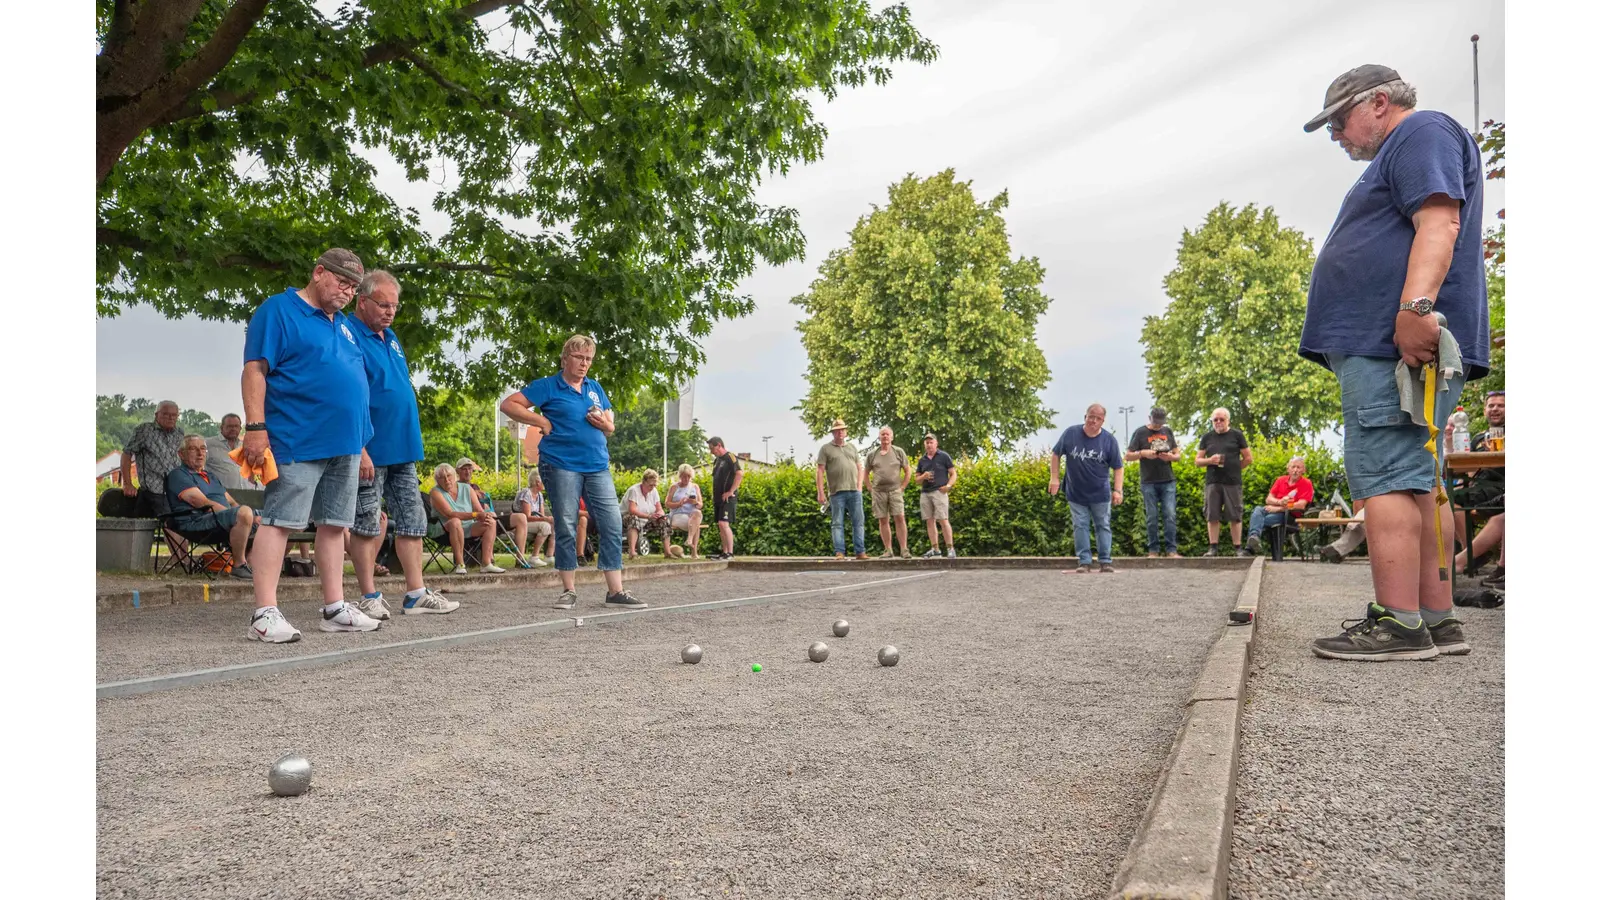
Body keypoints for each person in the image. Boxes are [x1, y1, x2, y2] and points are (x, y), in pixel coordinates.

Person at [1298, 65, 1489, 660]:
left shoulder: (1421, 131)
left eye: (1339, 121)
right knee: (1417, 476)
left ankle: (1398, 623)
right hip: (1395, 340)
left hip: (1391, 341)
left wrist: (1415, 307)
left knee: (1384, 470)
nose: (1336, 136)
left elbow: (1439, 220)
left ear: (1379, 102)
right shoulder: (1418, 141)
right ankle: (1435, 618)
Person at [240, 248, 383, 642]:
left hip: (347, 442)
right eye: (342, 282)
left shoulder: (345, 325)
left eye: (354, 288)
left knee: (336, 524)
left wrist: (363, 443)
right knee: (281, 520)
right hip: (298, 436)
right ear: (319, 273)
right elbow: (255, 370)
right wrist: (256, 426)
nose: (348, 292)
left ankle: (334, 607)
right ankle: (264, 613)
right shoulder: (279, 310)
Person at [499, 334, 646, 609]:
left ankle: (615, 591)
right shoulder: (548, 386)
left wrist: (604, 422)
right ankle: (568, 590)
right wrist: (540, 419)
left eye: (588, 359)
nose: (584, 364)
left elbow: (611, 426)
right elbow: (508, 404)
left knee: (612, 522)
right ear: (565, 358)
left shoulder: (594, 388)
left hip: (597, 464)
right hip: (561, 463)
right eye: (579, 357)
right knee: (566, 523)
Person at [347, 271, 458, 617]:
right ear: (361, 301)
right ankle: (369, 595)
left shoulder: (391, 337)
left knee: (413, 518)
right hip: (372, 447)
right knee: (366, 521)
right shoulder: (349, 335)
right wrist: (360, 447)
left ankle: (415, 593)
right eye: (383, 304)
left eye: (394, 305)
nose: (390, 311)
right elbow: (350, 394)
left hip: (403, 446)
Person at [166, 435, 256, 580]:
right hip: (198, 522)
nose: (200, 453)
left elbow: (232, 502)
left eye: (202, 449)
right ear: (181, 454)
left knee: (269, 519)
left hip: (223, 519)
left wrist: (250, 517)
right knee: (244, 513)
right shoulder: (178, 475)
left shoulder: (210, 476)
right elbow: (201, 502)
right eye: (193, 449)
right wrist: (238, 515)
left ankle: (253, 563)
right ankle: (239, 565)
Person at [1049, 404, 1125, 573]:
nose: (1094, 421)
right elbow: (1055, 454)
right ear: (1085, 416)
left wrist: (1118, 490)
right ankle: (1084, 562)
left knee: (1103, 525)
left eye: (1098, 419)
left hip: (1100, 493)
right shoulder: (1071, 433)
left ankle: (1105, 561)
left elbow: (1118, 467)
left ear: (1103, 421)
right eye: (1091, 416)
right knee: (1080, 525)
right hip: (1075, 492)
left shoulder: (1109, 440)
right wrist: (1054, 477)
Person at [1451, 390, 1505, 574]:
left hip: (1502, 486)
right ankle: (1473, 554)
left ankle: (1469, 556)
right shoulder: (1478, 438)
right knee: (1451, 499)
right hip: (1480, 487)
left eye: (1501, 405)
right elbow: (1466, 469)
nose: (1495, 409)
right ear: (1485, 411)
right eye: (1491, 405)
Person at [428, 463, 506, 575]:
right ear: (437, 480)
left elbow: (479, 510)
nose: (446, 480)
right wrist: (476, 515)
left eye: (449, 476)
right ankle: (460, 564)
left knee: (490, 523)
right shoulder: (435, 492)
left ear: (454, 476)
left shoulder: (467, 488)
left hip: (466, 527)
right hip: (443, 529)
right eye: (442, 478)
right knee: (455, 521)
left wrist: (485, 516)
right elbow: (450, 514)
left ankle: (486, 564)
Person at [1125, 406, 1182, 558]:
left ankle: (1171, 550)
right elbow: (1128, 456)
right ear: (1149, 418)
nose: (1158, 426)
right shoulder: (1140, 433)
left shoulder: (1167, 431)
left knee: (1170, 514)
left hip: (1168, 479)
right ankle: (1153, 550)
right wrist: (1143, 453)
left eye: (1161, 423)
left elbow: (1178, 455)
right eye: (1156, 422)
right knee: (1151, 516)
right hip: (1148, 480)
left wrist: (1170, 457)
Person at [1196, 408, 1253, 557]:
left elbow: (1248, 458)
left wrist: (1235, 467)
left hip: (1233, 482)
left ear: (1228, 420)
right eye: (1215, 420)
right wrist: (1210, 460)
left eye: (1221, 419)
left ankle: (1238, 548)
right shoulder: (1207, 437)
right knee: (1212, 514)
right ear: (1212, 421)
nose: (1219, 422)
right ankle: (1213, 548)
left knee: (1235, 515)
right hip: (1213, 481)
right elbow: (1197, 461)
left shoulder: (1237, 435)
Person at [458, 456, 530, 567]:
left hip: (490, 516)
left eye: (469, 468)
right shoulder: (456, 488)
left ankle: (520, 559)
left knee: (521, 517)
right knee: (489, 520)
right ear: (457, 471)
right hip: (476, 522)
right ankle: (489, 560)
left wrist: (487, 507)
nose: (468, 471)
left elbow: (486, 506)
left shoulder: (475, 486)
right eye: (464, 469)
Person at [121, 400, 186, 516]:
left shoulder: (179, 433)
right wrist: (127, 484)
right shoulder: (145, 430)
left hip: (177, 489)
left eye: (174, 415)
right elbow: (126, 454)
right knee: (172, 522)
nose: (170, 418)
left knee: (194, 515)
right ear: (156, 415)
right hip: (155, 490)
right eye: (166, 414)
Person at [816, 418, 867, 560]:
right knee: (837, 523)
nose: (840, 432)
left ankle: (860, 552)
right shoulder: (825, 449)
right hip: (836, 492)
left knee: (859, 522)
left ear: (846, 432)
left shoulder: (852, 447)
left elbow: (859, 467)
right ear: (833, 433)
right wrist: (820, 492)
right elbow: (820, 470)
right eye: (837, 430)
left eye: (842, 430)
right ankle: (839, 552)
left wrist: (859, 487)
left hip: (854, 491)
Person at [1245, 457, 1316, 555]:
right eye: (1293, 467)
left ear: (1303, 470)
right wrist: (1279, 502)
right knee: (1257, 510)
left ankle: (1250, 548)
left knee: (1257, 520)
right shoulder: (1280, 480)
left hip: (1290, 516)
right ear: (1288, 469)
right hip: (1276, 509)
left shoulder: (1306, 483)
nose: (1295, 470)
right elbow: (1268, 499)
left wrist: (1278, 509)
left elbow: (1301, 505)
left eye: (1298, 467)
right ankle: (1254, 538)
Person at [866, 426, 913, 558]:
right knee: (883, 520)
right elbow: (865, 472)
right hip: (879, 492)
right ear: (879, 437)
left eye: (887, 434)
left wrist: (903, 486)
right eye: (882, 434)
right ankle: (888, 550)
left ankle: (904, 549)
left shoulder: (899, 452)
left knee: (900, 517)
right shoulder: (872, 454)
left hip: (895, 491)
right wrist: (869, 487)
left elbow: (908, 470)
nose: (885, 437)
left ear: (892, 437)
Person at [915, 433, 958, 558]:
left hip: (939, 492)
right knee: (929, 521)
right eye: (927, 443)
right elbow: (916, 480)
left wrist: (948, 486)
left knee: (943, 520)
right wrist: (923, 476)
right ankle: (935, 549)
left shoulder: (944, 456)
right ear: (924, 445)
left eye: (931, 442)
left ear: (936, 443)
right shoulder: (922, 460)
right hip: (925, 493)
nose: (929, 445)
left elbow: (953, 474)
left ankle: (950, 548)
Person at [706, 437, 743, 560]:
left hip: (728, 498)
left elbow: (739, 473)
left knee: (724, 523)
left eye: (712, 448)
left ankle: (730, 553)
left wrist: (731, 491)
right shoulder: (717, 460)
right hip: (718, 498)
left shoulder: (729, 457)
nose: (711, 451)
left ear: (719, 445)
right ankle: (724, 552)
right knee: (720, 525)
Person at [205, 414, 260, 491]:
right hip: (221, 496)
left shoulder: (246, 446)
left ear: (240, 428)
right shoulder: (208, 445)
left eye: (236, 426)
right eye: (229, 426)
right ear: (221, 428)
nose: (233, 429)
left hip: (248, 494)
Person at [623, 469, 669, 558]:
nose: (652, 487)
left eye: (654, 485)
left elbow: (659, 508)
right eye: (650, 485)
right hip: (626, 518)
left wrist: (660, 515)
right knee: (633, 518)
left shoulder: (654, 491)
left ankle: (667, 552)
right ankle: (632, 552)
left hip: (647, 519)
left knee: (664, 521)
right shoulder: (634, 490)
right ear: (644, 482)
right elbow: (632, 510)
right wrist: (649, 516)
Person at [665, 464, 705, 558]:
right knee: (696, 525)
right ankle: (694, 553)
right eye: (684, 476)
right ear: (680, 476)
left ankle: (690, 539)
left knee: (697, 513)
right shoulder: (674, 487)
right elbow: (667, 503)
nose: (686, 479)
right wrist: (679, 504)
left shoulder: (695, 486)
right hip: (678, 514)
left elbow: (700, 505)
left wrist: (695, 502)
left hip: (692, 515)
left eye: (688, 476)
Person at [512, 476, 554, 566]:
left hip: (532, 523)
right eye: (544, 480)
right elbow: (526, 517)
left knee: (553, 524)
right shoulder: (526, 493)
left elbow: (541, 515)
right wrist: (545, 519)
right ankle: (534, 557)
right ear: (537, 482)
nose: (545, 483)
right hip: (520, 524)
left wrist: (548, 519)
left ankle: (549, 556)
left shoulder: (539, 495)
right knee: (545, 526)